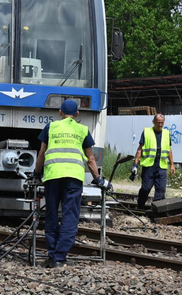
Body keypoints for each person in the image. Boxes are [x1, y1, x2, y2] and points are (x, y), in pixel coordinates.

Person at [34, 99, 109, 268]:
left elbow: (41, 154)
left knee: (52, 215)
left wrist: (36, 173)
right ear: (77, 114)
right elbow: (90, 159)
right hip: (74, 177)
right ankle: (60, 258)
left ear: (60, 112)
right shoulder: (82, 129)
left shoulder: (51, 127)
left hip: (53, 176)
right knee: (70, 216)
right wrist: (97, 179)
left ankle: (52, 255)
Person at [130, 114, 176, 209]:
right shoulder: (147, 132)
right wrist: (135, 164)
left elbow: (169, 150)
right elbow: (140, 149)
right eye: (158, 122)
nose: (160, 125)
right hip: (149, 166)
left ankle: (157, 209)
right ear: (153, 122)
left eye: (162, 123)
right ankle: (140, 205)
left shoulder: (167, 133)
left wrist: (172, 164)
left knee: (161, 189)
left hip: (161, 166)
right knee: (146, 188)